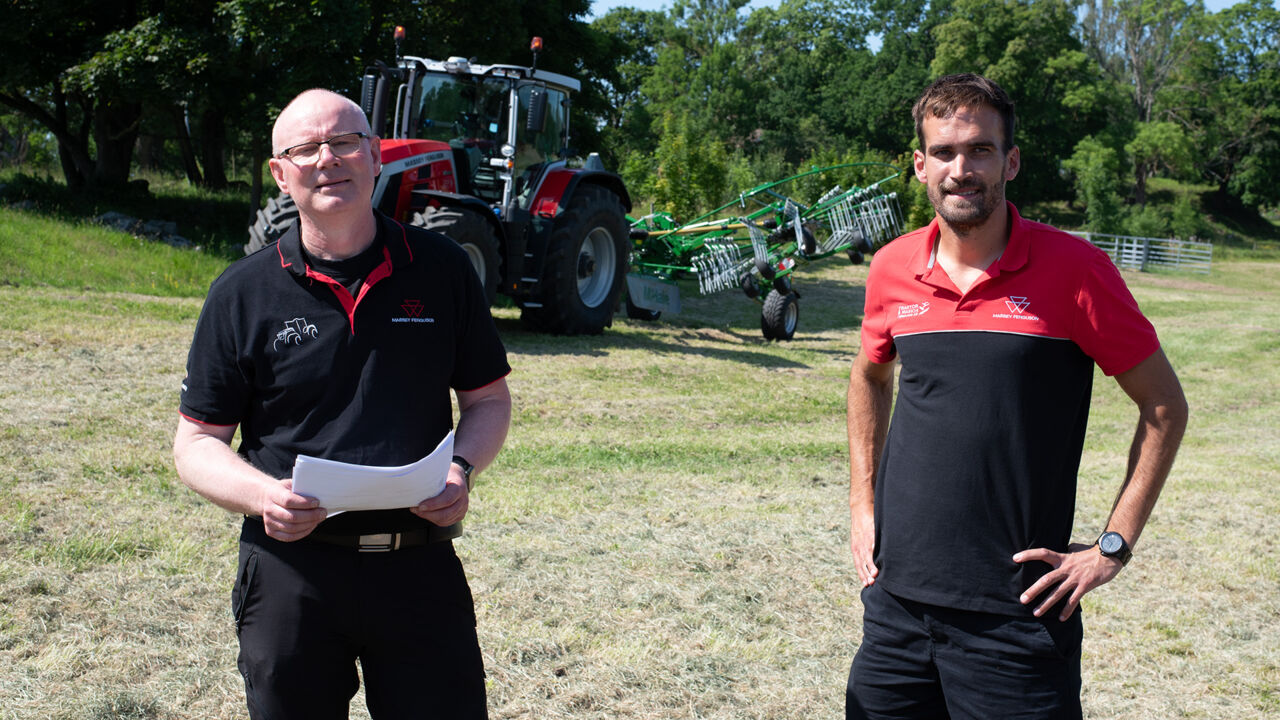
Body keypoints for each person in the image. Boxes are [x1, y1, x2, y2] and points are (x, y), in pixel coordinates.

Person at [844, 74, 1188, 719]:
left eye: (979, 150)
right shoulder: (891, 267)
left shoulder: (1076, 271)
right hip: (896, 607)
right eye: (944, 153)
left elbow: (1165, 407)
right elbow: (869, 375)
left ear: (1011, 160)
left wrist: (1112, 545)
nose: (961, 169)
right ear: (920, 166)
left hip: (1019, 615)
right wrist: (863, 504)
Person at [173, 88, 511, 719]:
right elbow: (195, 444)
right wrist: (263, 497)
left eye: (345, 141)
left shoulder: (441, 269)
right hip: (290, 571)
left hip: (419, 565)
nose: (328, 159)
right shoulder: (240, 293)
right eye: (306, 148)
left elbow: (489, 400)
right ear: (281, 173)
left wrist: (461, 468)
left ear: (375, 155)